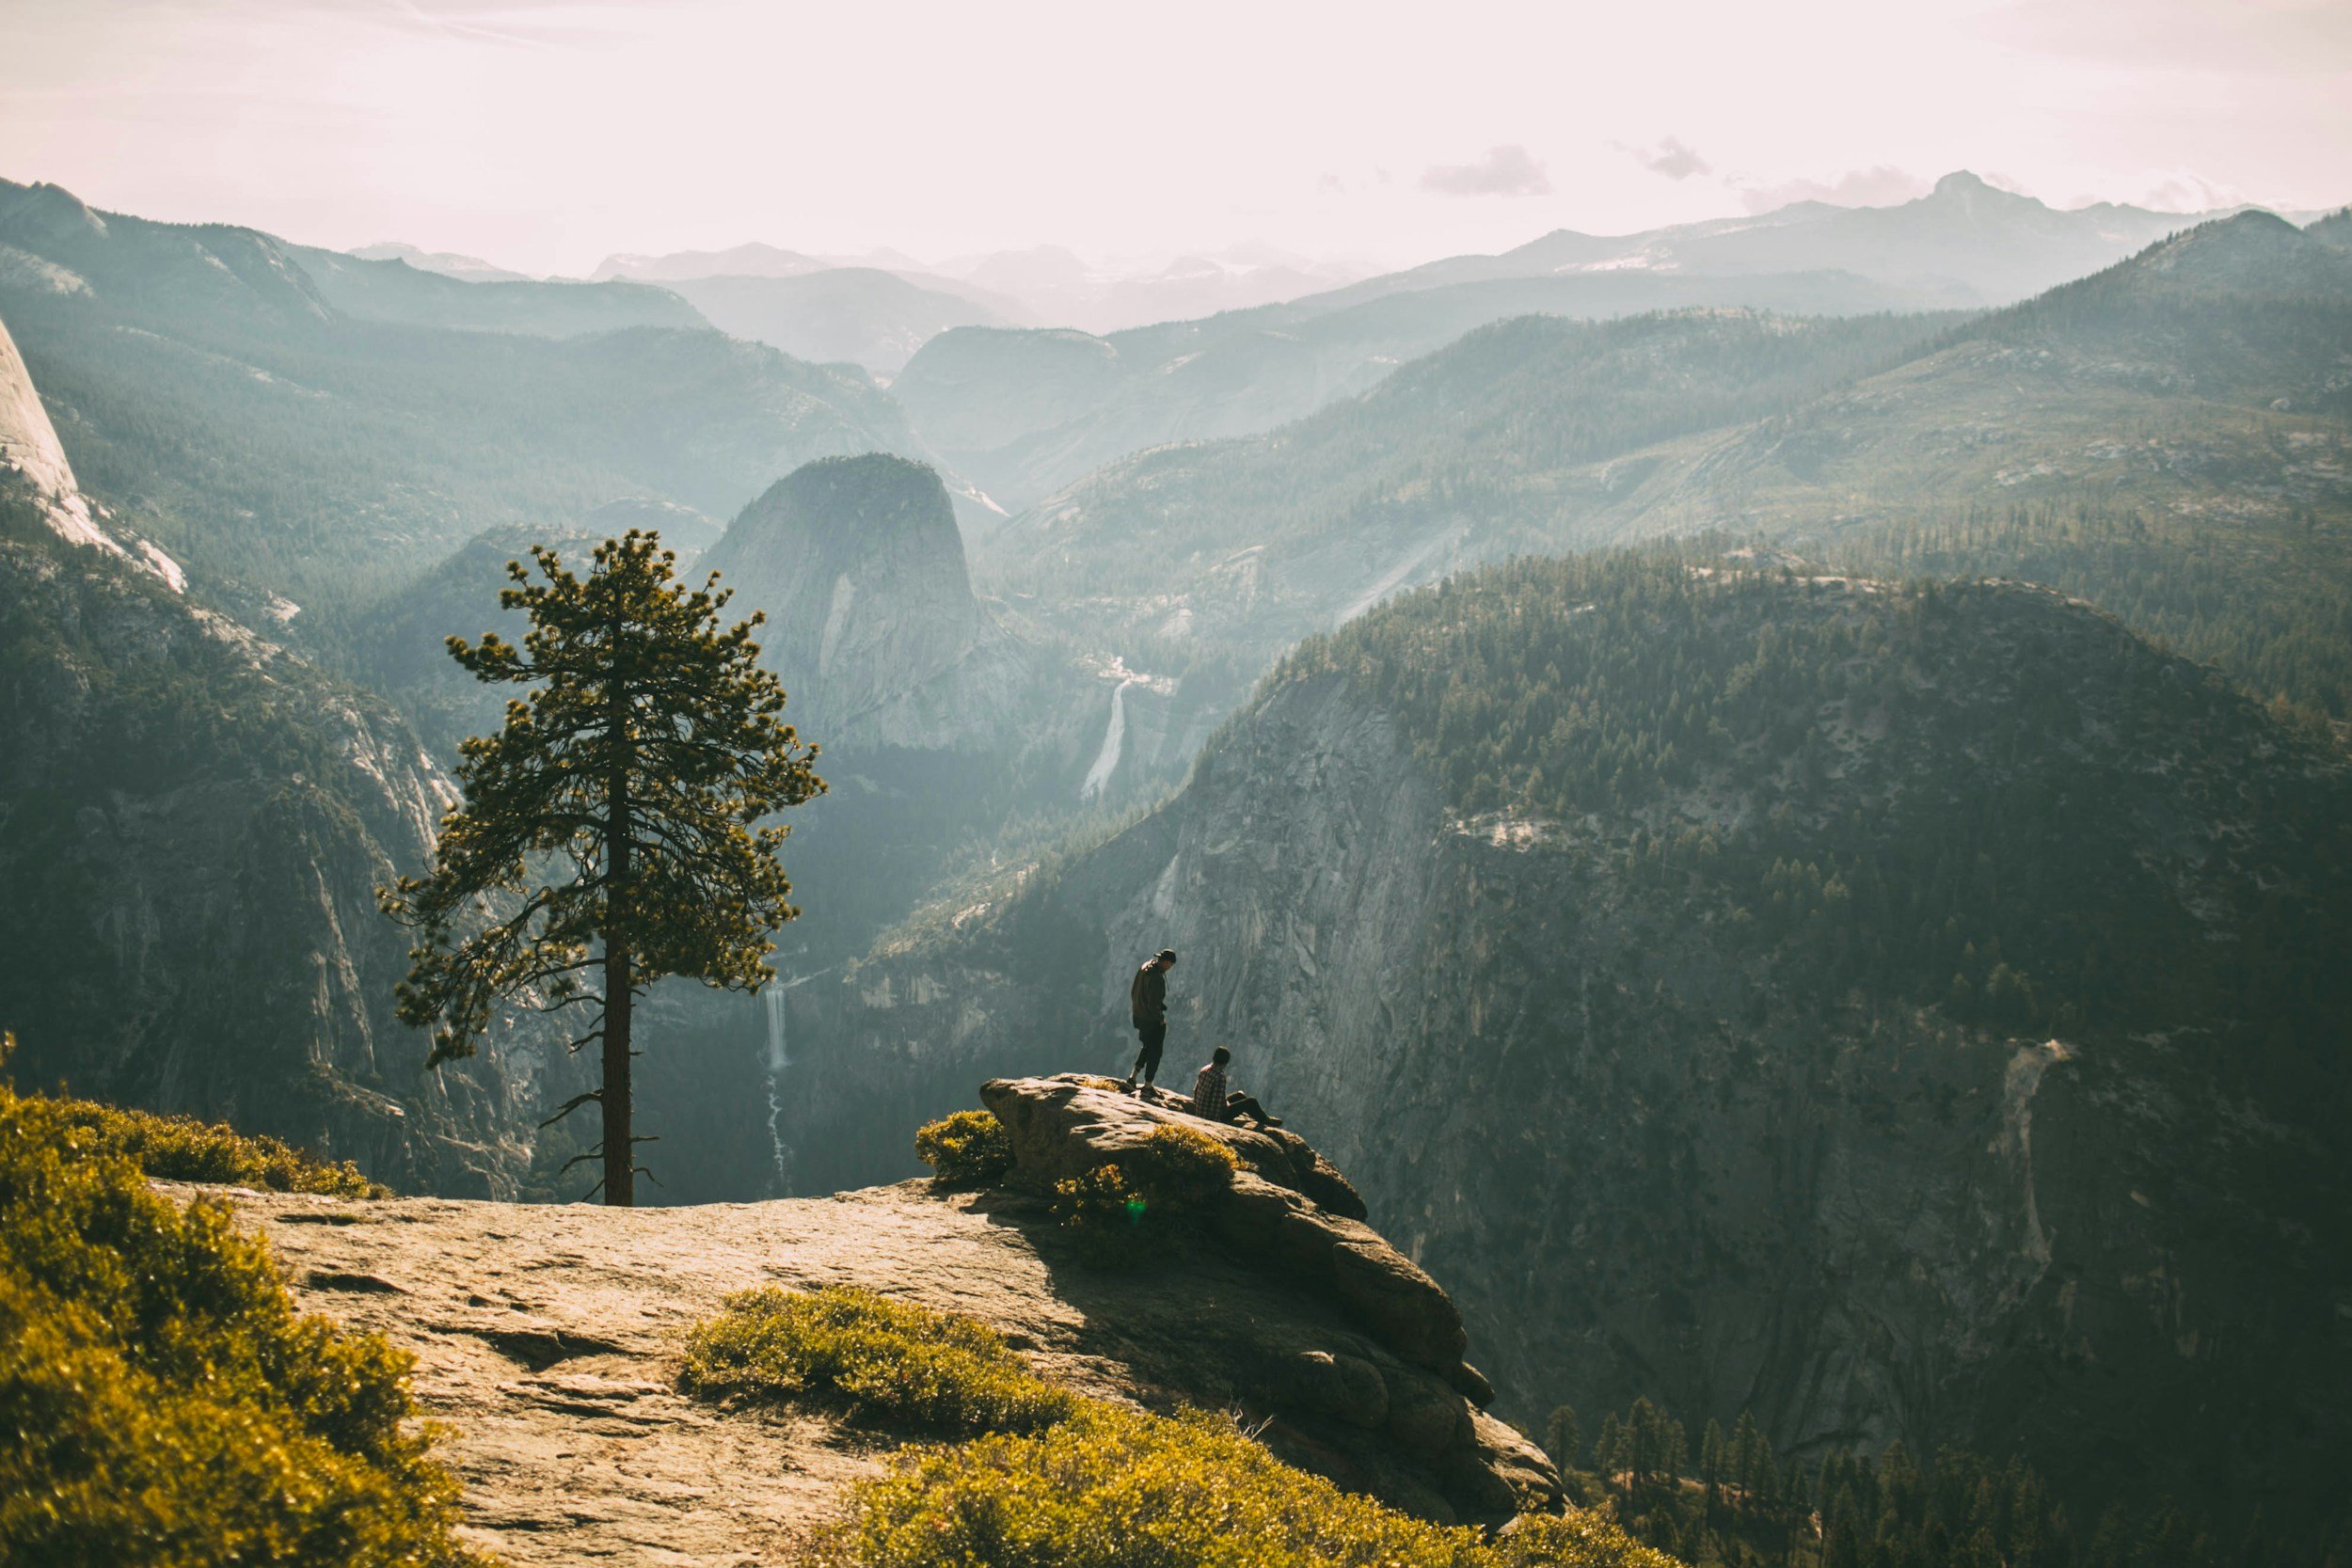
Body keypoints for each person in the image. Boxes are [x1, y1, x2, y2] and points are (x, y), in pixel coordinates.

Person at [1189, 1045, 1281, 1129]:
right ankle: (1266, 1120)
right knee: (1251, 1101)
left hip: (1201, 1110)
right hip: (1215, 1116)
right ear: (1226, 1063)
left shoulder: (1205, 1069)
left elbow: (1196, 1091)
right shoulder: (1219, 1077)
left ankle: (1258, 1115)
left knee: (1239, 1095)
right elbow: (1215, 1104)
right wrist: (1216, 1121)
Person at [1125, 948, 1177, 1094]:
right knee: (1155, 1052)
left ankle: (1132, 1078)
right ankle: (1148, 1086)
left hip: (1139, 1015)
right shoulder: (1157, 978)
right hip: (1151, 1019)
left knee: (1147, 1046)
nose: (1169, 968)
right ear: (1166, 962)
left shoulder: (1144, 968)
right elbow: (1153, 1004)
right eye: (1170, 965)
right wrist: (1160, 1019)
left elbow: (1136, 992)